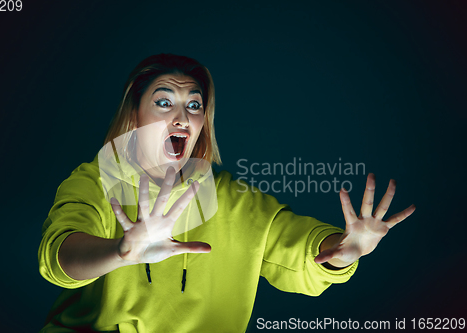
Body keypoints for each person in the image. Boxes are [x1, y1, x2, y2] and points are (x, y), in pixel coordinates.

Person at [38, 53, 416, 332]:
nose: (182, 118)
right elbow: (60, 257)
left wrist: (343, 250)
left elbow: (301, 251)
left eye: (194, 105)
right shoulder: (96, 179)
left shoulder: (233, 199)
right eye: (164, 102)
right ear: (133, 113)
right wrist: (119, 252)